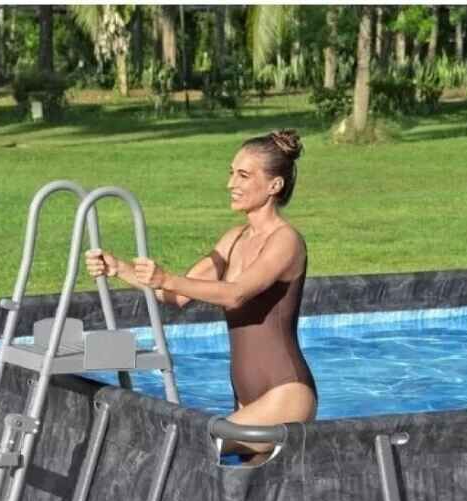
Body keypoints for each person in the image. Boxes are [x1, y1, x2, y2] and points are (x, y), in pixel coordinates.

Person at [84, 129, 316, 462]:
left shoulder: (286, 241)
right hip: (245, 397)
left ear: (274, 185)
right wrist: (118, 267)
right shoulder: (234, 238)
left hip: (287, 393)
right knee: (247, 489)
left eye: (243, 175)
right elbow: (177, 295)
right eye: (231, 173)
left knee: (187, 450)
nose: (231, 184)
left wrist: (168, 278)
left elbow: (235, 294)